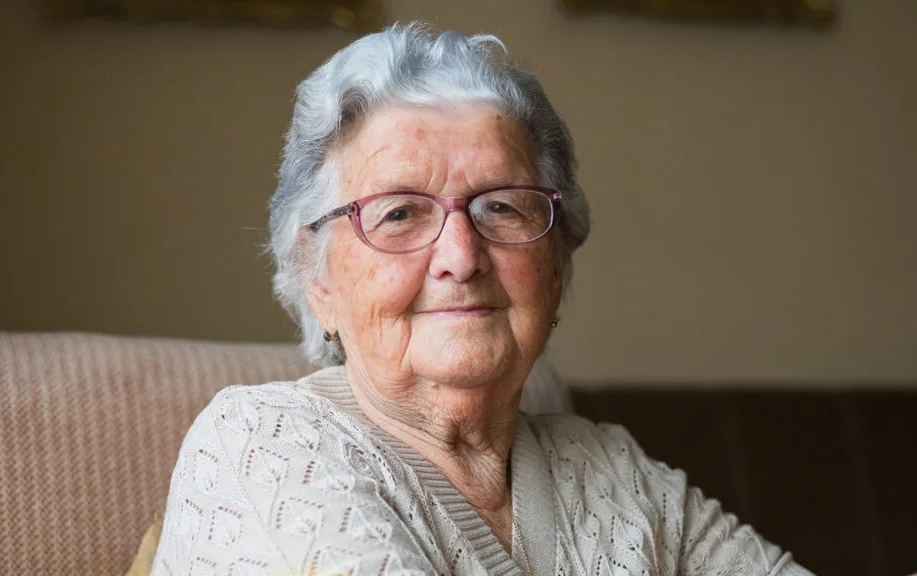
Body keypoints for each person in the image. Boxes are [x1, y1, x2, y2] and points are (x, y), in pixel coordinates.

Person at [152, 23, 812, 576]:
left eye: (501, 207)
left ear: (556, 268)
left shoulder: (613, 471)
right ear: (319, 281)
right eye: (400, 213)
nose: (461, 256)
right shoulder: (262, 447)